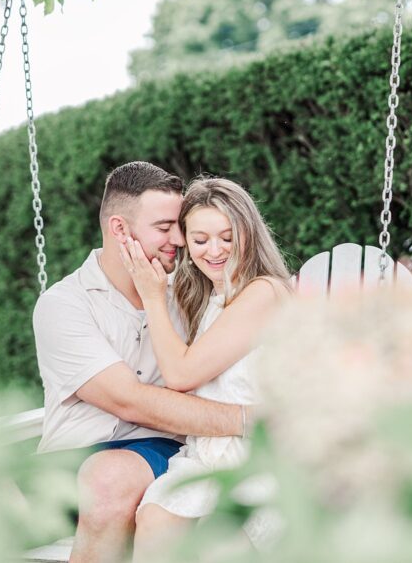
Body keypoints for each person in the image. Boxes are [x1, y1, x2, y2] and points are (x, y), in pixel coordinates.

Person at [33, 162, 247, 563]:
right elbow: (127, 400)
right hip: (72, 455)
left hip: (158, 448)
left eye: (179, 227)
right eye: (165, 228)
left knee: (108, 479)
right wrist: (245, 419)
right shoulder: (64, 304)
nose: (179, 240)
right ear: (119, 229)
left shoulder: (189, 294)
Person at [120, 177, 291, 560]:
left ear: (249, 233)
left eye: (227, 237)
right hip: (204, 456)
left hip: (260, 462)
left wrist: (151, 296)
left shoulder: (266, 292)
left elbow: (181, 376)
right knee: (154, 522)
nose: (214, 251)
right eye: (200, 240)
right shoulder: (208, 297)